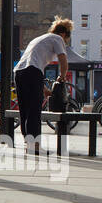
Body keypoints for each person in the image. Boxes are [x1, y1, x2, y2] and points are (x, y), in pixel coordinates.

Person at [14, 17, 71, 152]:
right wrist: (62, 77)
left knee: (24, 109)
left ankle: (28, 142)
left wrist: (44, 88)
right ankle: (35, 144)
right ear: (63, 34)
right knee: (34, 109)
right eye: (66, 39)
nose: (65, 42)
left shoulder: (38, 39)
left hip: (18, 72)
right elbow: (63, 60)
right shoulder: (57, 39)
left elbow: (33, 64)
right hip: (32, 72)